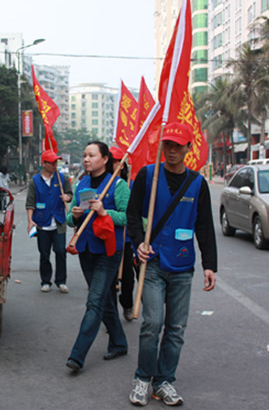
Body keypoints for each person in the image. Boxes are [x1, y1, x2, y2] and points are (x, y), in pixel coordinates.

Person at [126, 122, 217, 406]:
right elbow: (132, 214)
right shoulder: (148, 176)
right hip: (152, 262)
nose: (172, 150)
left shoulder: (198, 184)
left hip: (182, 266)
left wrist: (210, 265)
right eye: (168, 144)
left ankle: (163, 381)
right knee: (152, 323)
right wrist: (139, 242)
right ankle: (143, 378)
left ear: (189, 148)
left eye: (178, 145)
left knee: (176, 328)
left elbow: (204, 226)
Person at [65, 141, 129, 371]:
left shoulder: (118, 185)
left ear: (105, 159)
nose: (86, 159)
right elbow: (69, 219)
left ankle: (77, 355)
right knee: (103, 299)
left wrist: (104, 212)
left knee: (94, 302)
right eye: (85, 155)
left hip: (108, 252)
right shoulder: (81, 184)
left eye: (91, 155)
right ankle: (119, 343)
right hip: (86, 250)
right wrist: (74, 215)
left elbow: (127, 217)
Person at [26, 150, 73, 293]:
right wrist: (30, 221)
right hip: (42, 222)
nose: (54, 165)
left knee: (60, 251)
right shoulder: (35, 181)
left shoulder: (62, 178)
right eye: (51, 163)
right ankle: (45, 281)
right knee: (44, 254)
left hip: (58, 222)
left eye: (56, 162)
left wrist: (67, 197)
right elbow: (30, 203)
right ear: (44, 164)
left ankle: (61, 281)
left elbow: (70, 194)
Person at [109, 146, 137, 322]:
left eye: (116, 161)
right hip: (106, 238)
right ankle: (111, 315)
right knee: (109, 280)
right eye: (111, 161)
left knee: (128, 277)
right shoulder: (102, 184)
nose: (114, 165)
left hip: (126, 240)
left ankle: (127, 305)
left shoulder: (130, 185)